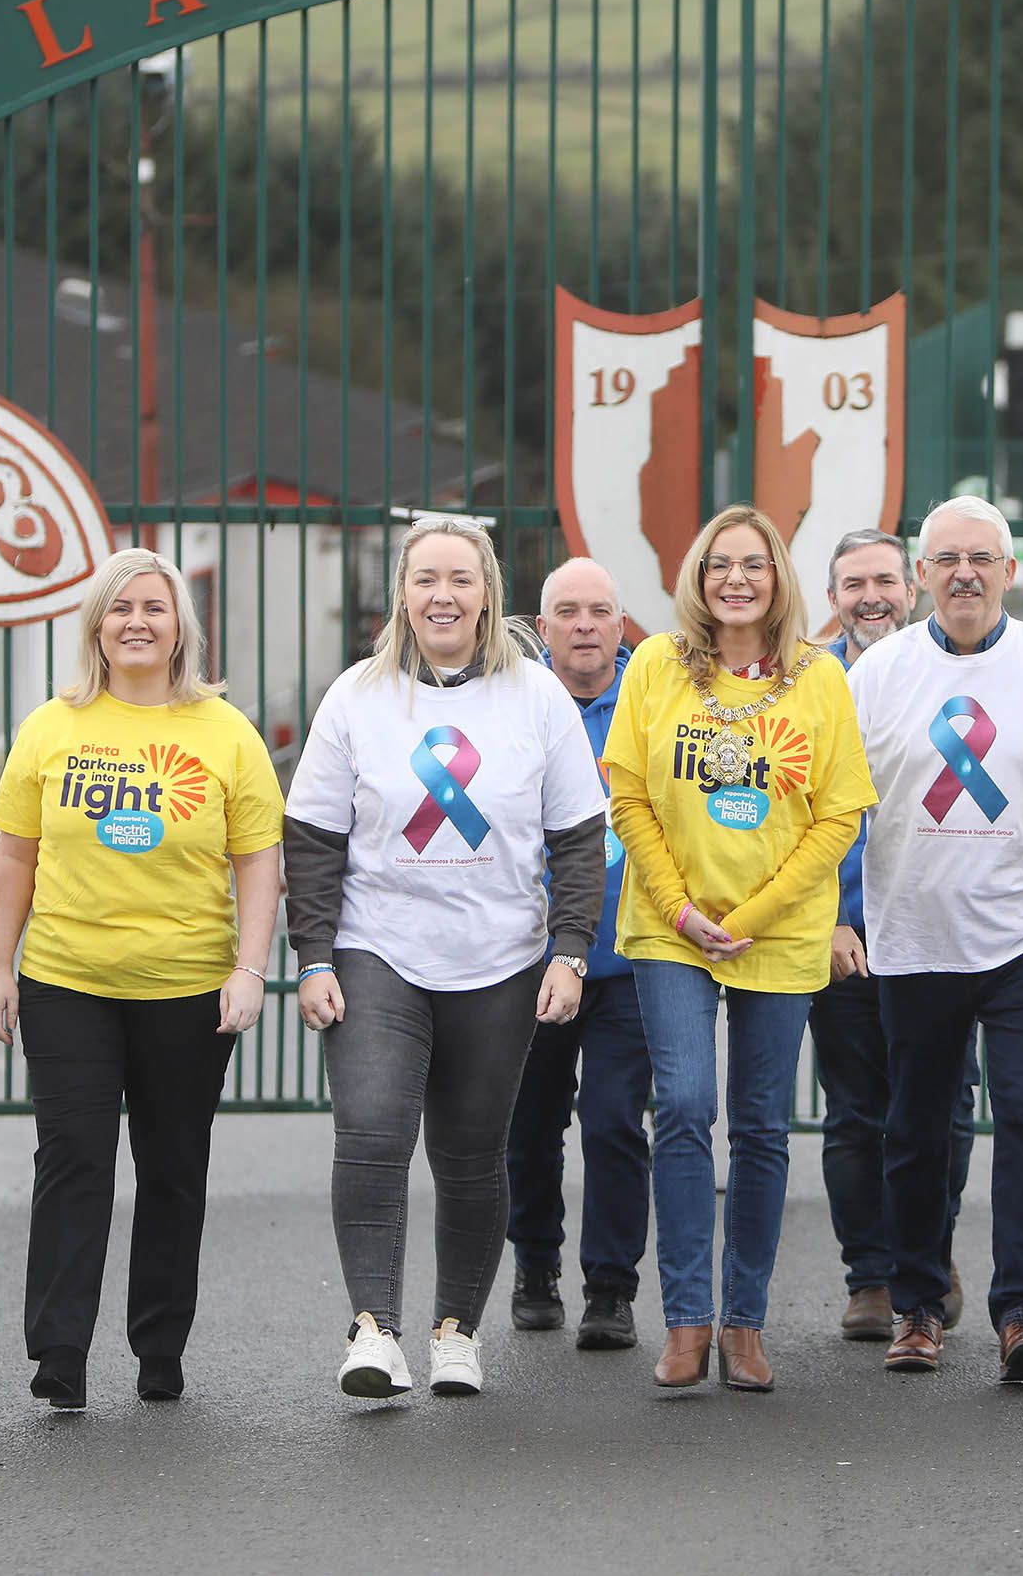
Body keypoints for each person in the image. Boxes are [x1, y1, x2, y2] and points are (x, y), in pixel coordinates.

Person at [284, 516, 608, 1400]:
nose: (443, 596)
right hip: (378, 946)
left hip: (499, 957)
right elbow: (311, 836)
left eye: (460, 579)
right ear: (403, 593)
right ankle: (374, 1329)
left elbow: (579, 837)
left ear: (488, 592)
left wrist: (569, 949)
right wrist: (314, 956)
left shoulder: (536, 696)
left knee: (471, 1154)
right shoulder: (358, 694)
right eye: (425, 579)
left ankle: (456, 1330)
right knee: (375, 1129)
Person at [0, 548, 284, 1412]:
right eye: (120, 609)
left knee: (173, 1168)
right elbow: (15, 851)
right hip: (67, 980)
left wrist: (251, 968)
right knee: (74, 1158)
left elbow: (258, 858)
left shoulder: (226, 733)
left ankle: (159, 1349)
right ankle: (61, 1351)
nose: (138, 622)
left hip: (187, 988)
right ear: (97, 628)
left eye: (154, 607)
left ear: (180, 626)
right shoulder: (54, 726)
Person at [848, 497, 1023, 1382]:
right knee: (916, 1129)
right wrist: (837, 915)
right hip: (914, 936)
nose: (964, 573)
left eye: (982, 558)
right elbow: (833, 809)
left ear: (1009, 572)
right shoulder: (878, 673)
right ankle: (919, 1304)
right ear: (920, 576)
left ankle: (1020, 1310)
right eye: (946, 559)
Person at [604, 504, 878, 1391]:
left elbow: (840, 814)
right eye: (719, 562)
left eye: (754, 564)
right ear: (696, 575)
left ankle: (744, 1326)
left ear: (779, 579)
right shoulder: (653, 667)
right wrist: (683, 911)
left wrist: (755, 911)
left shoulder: (819, 679)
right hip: (671, 930)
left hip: (781, 929)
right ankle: (686, 1323)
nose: (735, 579)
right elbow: (629, 799)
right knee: (683, 1105)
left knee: (762, 1127)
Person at [816, 527, 975, 1340]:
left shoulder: (938, 673)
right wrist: (835, 919)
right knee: (855, 1111)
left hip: (941, 929)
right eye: (853, 584)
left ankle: (931, 1251)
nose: (870, 596)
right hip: (840, 934)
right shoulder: (807, 684)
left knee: (945, 1108)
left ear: (910, 587)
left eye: (884, 579)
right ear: (833, 598)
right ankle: (871, 1278)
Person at [503, 558, 655, 1352]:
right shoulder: (514, 704)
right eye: (568, 611)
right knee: (528, 1125)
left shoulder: (655, 700)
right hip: (530, 957)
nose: (586, 625)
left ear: (621, 622)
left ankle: (610, 1288)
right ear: (542, 624)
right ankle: (534, 1264)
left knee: (613, 1123)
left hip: (631, 955)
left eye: (600, 609)